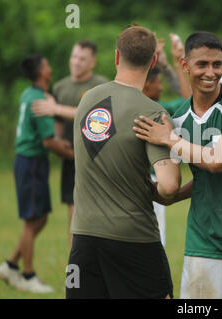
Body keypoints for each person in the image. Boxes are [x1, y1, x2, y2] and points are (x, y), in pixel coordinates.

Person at [133, 31, 222, 299]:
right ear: (185, 65)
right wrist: (158, 194)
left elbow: (216, 162)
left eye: (217, 64)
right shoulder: (178, 117)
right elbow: (199, 180)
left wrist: (169, 139)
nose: (211, 72)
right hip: (202, 240)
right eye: (202, 64)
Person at [66, 25, 181, 299]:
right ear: (153, 61)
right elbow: (167, 186)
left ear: (116, 57)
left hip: (83, 236)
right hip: (134, 238)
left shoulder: (87, 100)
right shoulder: (152, 112)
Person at [0, 54, 74, 293]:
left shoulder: (29, 93)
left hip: (28, 162)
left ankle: (10, 265)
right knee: (33, 220)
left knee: (39, 218)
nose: (50, 68)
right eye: (48, 64)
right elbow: (49, 142)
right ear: (42, 71)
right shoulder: (39, 100)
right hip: (31, 163)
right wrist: (77, 155)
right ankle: (28, 275)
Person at [31, 40, 107, 246]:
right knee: (75, 215)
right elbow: (55, 124)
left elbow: (95, 117)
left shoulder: (100, 85)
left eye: (82, 59)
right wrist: (54, 143)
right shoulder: (59, 87)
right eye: (74, 56)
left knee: (100, 214)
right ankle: (76, 270)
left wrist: (56, 108)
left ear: (93, 63)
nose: (76, 62)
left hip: (96, 158)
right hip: (71, 160)